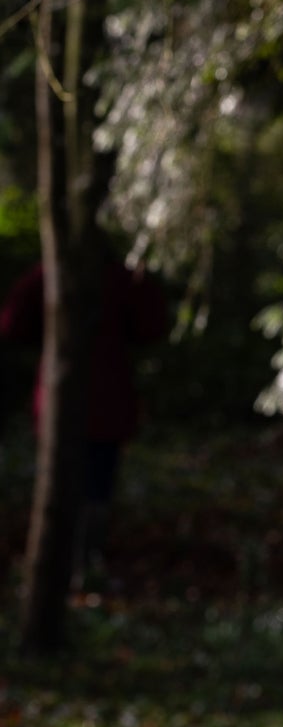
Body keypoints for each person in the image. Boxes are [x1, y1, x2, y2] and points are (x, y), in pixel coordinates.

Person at [0, 246, 167, 585]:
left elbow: (12, 325)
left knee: (78, 483)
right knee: (89, 486)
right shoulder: (104, 277)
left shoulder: (59, 274)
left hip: (78, 402)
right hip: (89, 401)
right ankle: (75, 564)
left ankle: (75, 564)